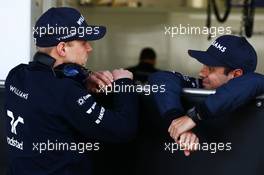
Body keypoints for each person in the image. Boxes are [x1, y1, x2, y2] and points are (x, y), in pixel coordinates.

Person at [4, 7, 138, 175]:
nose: (89, 48)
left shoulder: (16, 75)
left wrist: (84, 77)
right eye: (83, 42)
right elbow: (124, 128)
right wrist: (124, 82)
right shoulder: (66, 91)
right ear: (62, 49)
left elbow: (50, 83)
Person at [149, 35, 264, 156]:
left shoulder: (254, 84)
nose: (201, 73)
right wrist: (179, 124)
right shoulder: (201, 85)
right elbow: (161, 77)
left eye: (210, 68)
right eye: (204, 65)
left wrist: (194, 115)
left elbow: (256, 80)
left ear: (236, 74)